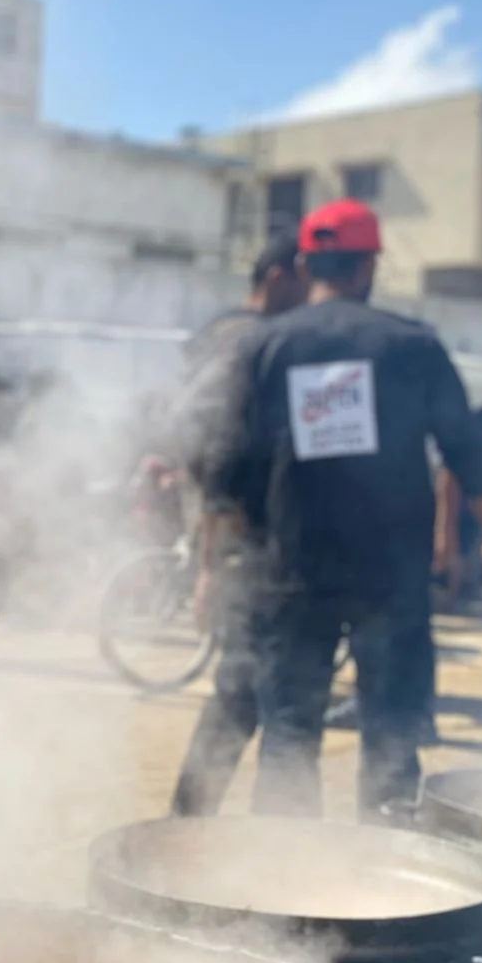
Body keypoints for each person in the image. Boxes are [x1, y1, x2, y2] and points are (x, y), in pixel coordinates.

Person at [209, 200, 482, 820]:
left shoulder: (267, 347)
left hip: (292, 574)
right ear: (368, 267)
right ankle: (385, 892)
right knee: (391, 738)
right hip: (390, 576)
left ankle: (283, 892)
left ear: (307, 265)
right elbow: (469, 456)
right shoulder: (413, 345)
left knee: (288, 737)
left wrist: (221, 569)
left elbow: (230, 470)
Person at [167, 236, 307, 816]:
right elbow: (213, 447)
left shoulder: (219, 334)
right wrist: (214, 560)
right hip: (242, 540)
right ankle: (193, 827)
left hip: (229, 532)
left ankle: (189, 821)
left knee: (244, 689)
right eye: (304, 278)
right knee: (248, 691)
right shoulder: (250, 341)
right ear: (277, 277)